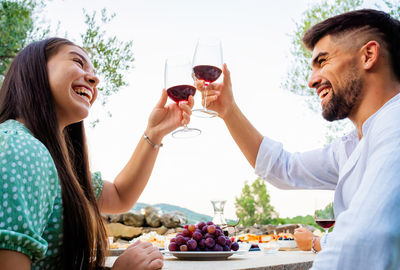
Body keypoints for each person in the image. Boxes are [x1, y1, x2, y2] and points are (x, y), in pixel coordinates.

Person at [196, 9, 400, 269]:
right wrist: (229, 111)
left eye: (322, 61)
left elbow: (366, 241)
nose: (311, 81)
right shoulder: (351, 145)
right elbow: (283, 168)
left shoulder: (395, 123)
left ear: (368, 56)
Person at [0, 38, 194, 270]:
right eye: (77, 62)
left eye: (93, 72)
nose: (94, 79)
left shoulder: (51, 160)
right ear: (35, 71)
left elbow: (121, 195)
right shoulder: (19, 149)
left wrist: (155, 133)